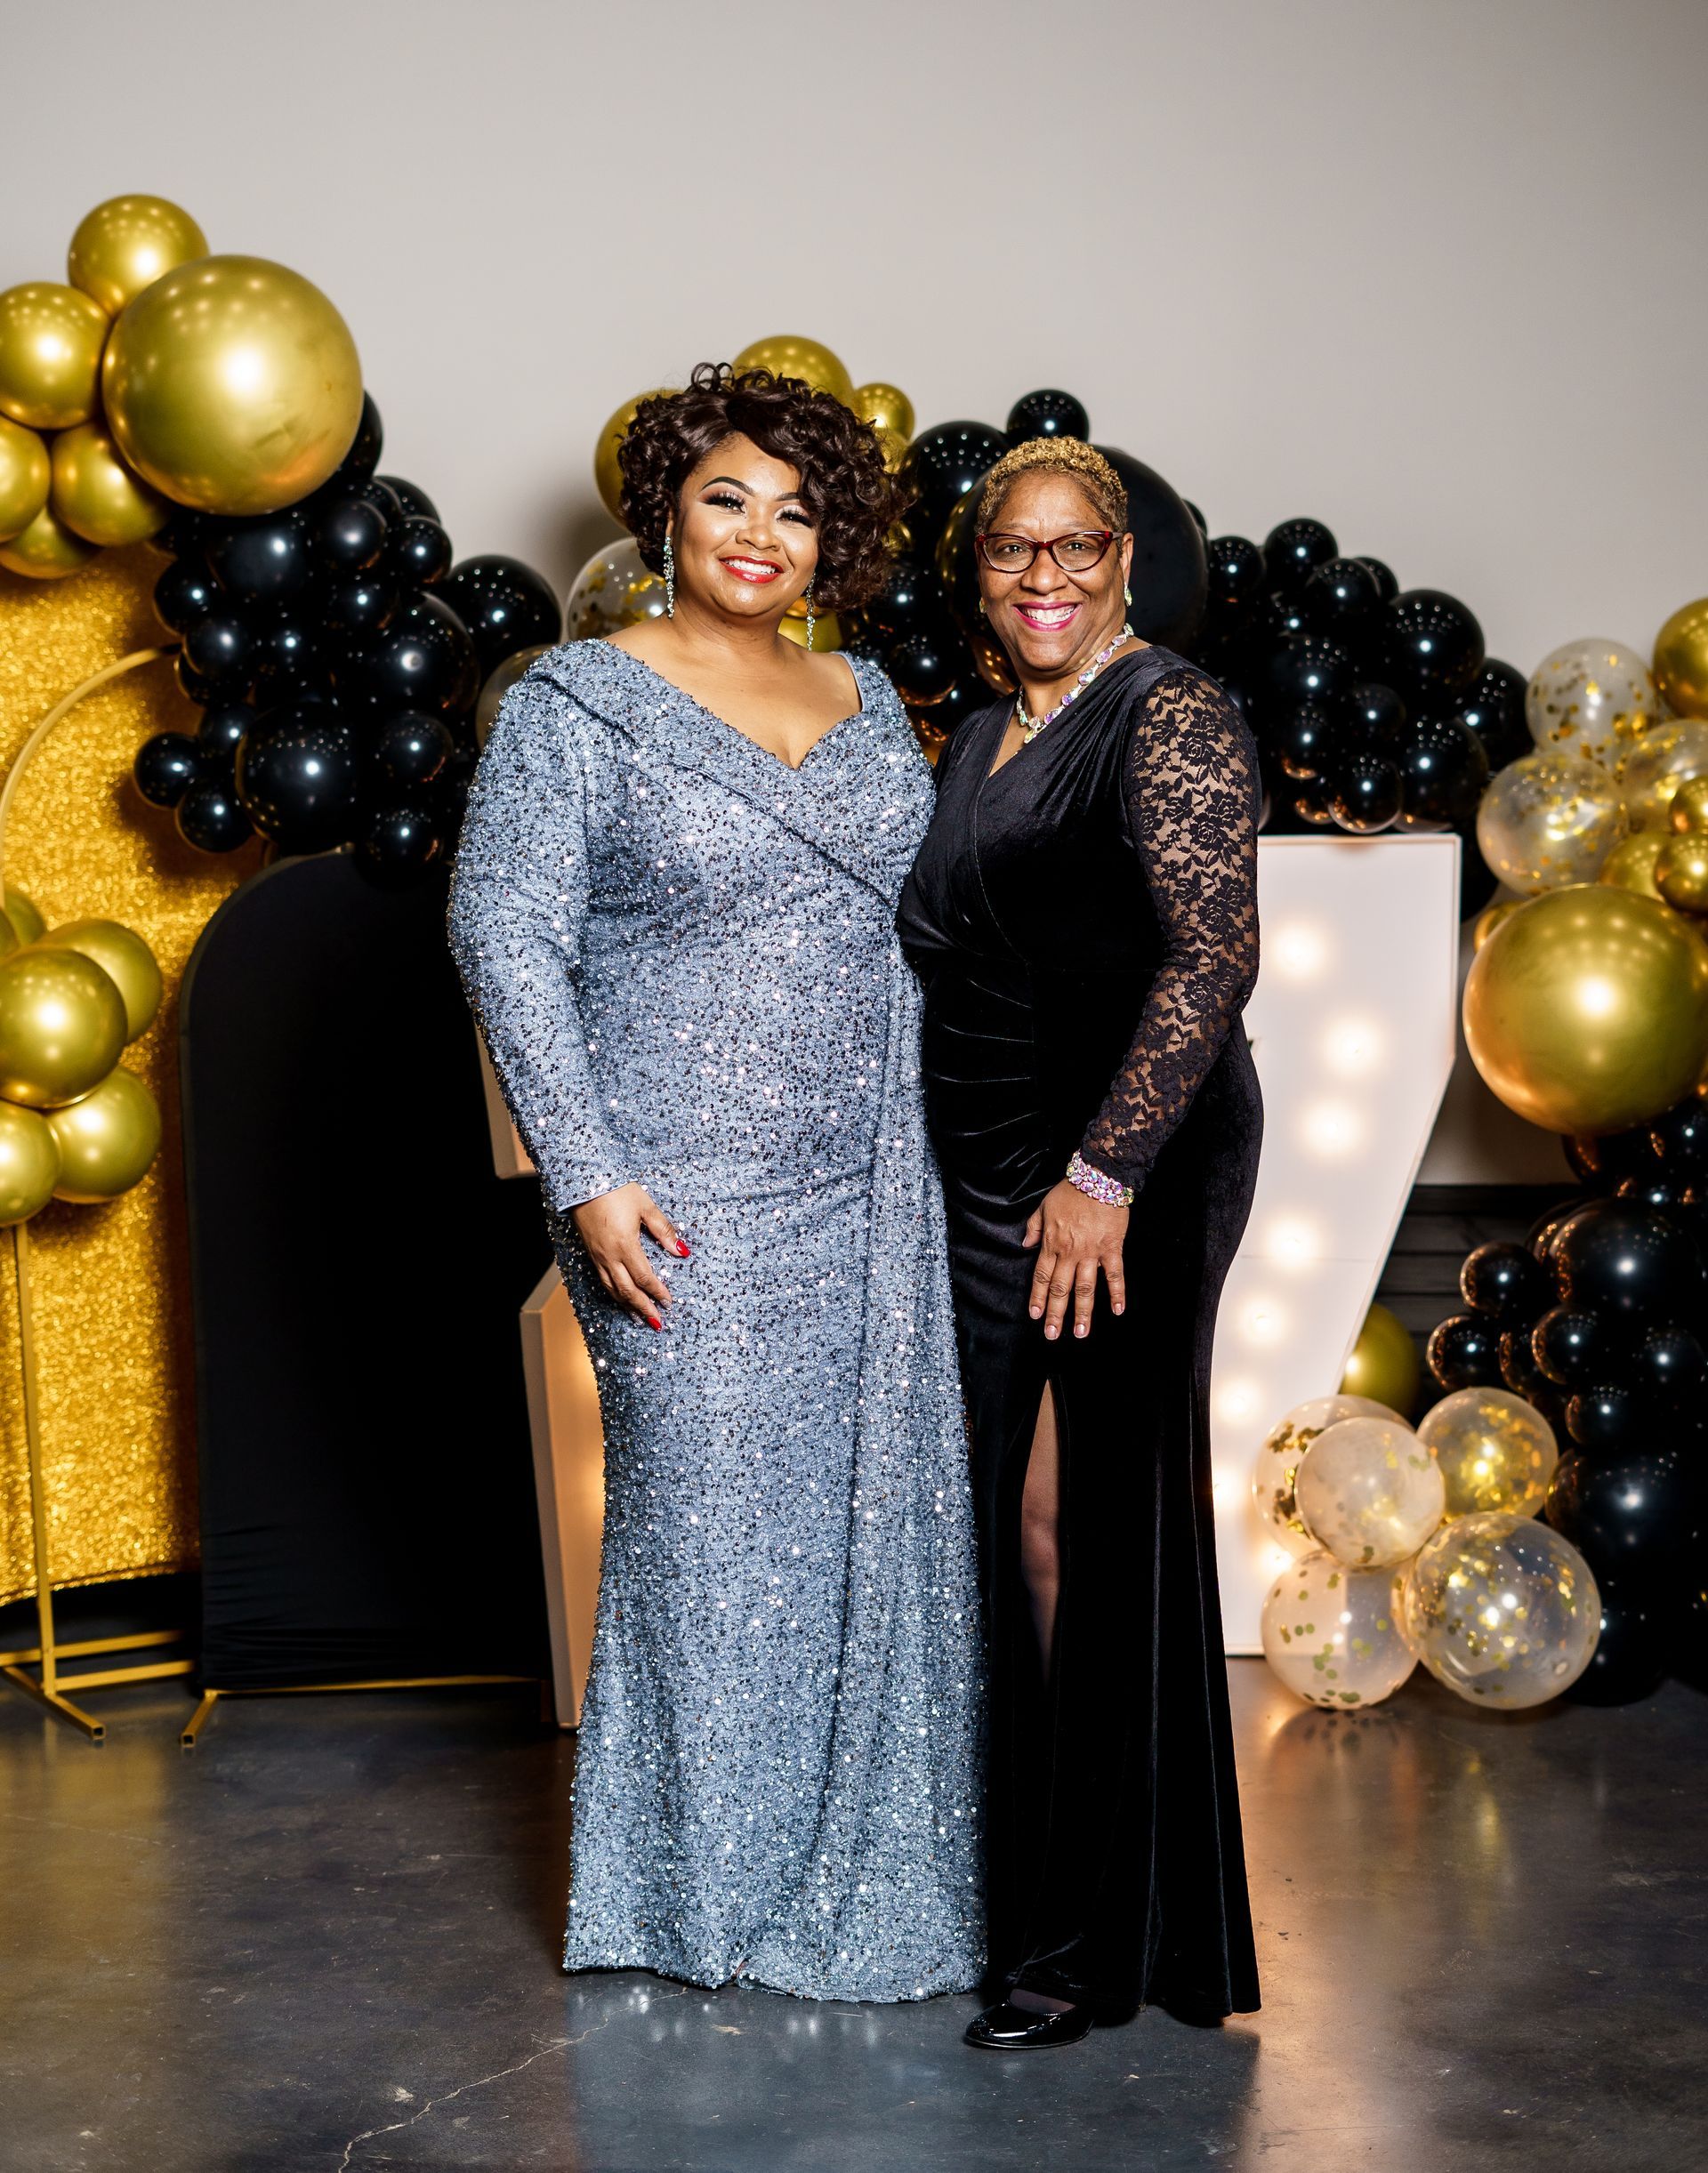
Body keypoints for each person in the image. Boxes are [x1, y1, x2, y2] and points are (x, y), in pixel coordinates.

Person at [449, 366, 983, 2002]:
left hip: (880, 1174)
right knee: (705, 1537)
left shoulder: (868, 693)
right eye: (727, 498)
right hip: (677, 1187)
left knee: (872, 1526)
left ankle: (870, 1876)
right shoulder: (578, 701)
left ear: (834, 541)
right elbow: (502, 933)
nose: (762, 535)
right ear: (667, 514)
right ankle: (691, 1897)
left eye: (798, 511)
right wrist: (587, 1173)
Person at [898, 437, 1263, 2049]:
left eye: (1076, 546)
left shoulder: (1169, 711)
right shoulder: (983, 731)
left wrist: (1106, 1172)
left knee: (1094, 1526)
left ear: (1124, 560)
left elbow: (1213, 955)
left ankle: (1091, 1945)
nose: (1043, 575)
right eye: (1011, 549)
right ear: (979, 574)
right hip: (990, 1171)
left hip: (1128, 1163)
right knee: (1021, 1527)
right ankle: (1056, 1895)